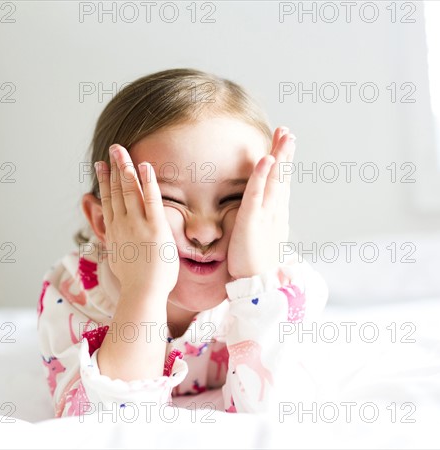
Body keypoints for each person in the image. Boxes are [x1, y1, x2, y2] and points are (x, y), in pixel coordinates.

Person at [37, 68, 328, 418]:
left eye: (235, 197)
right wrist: (143, 290)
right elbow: (101, 426)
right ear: (104, 221)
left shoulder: (282, 288)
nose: (205, 232)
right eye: (169, 200)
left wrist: (256, 282)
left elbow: (283, 418)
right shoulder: (76, 297)